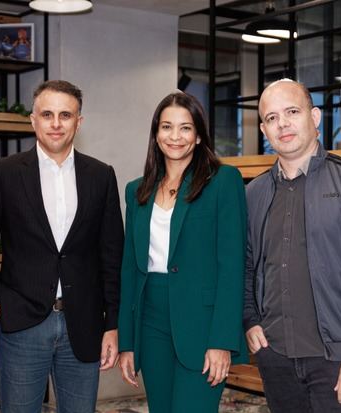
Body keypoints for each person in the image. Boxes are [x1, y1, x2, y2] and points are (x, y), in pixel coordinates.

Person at [243, 79, 341, 412]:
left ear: (314, 118)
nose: (282, 123)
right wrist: (250, 319)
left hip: (339, 360)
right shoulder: (253, 193)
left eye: (292, 112)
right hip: (276, 357)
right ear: (265, 130)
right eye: (271, 118)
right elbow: (247, 264)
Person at [0, 80, 124, 413]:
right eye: (47, 114)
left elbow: (112, 255)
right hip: (22, 320)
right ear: (33, 120)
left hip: (85, 323)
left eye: (66, 115)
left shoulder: (101, 176)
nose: (56, 123)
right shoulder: (3, 173)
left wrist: (113, 324)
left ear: (79, 121)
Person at [117, 92, 248, 413]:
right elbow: (130, 269)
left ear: (199, 134)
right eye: (166, 127)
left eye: (185, 128)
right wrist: (127, 342)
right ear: (156, 134)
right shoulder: (137, 190)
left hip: (202, 324)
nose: (175, 137)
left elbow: (233, 266)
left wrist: (222, 340)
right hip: (150, 322)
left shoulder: (223, 181)